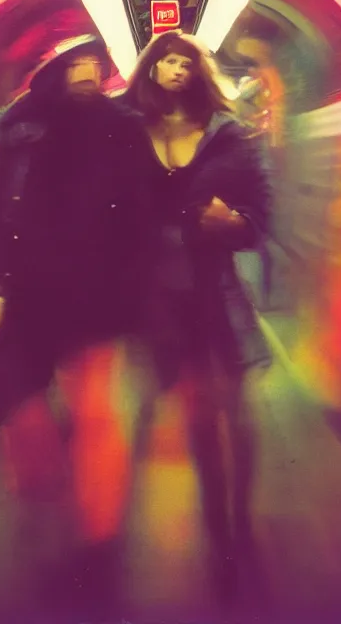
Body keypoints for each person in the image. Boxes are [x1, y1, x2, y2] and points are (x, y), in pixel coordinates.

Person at [0, 34, 150, 617]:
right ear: (53, 70)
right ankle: (44, 497)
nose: (89, 70)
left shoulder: (122, 126)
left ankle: (97, 544)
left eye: (97, 62)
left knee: (96, 414)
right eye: (78, 62)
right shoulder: (19, 127)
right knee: (22, 410)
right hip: (27, 293)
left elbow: (142, 211)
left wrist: (138, 289)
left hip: (97, 297)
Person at [120, 30, 272, 604]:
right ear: (152, 71)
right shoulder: (129, 134)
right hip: (160, 299)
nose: (177, 66)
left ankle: (240, 514)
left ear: (200, 73)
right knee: (200, 417)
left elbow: (262, 215)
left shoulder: (231, 137)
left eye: (187, 60)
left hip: (214, 290)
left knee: (236, 410)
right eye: (167, 59)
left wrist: (234, 225)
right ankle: (219, 531)